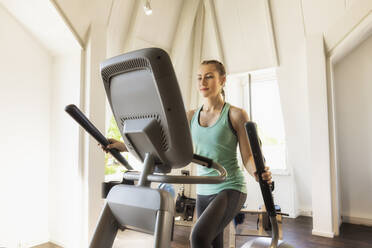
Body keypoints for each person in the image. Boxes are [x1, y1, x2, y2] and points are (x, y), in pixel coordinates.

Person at [102, 59, 272, 248]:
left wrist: (256, 171)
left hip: (229, 186)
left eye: (209, 77)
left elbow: (248, 157)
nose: (202, 82)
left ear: (223, 80)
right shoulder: (190, 117)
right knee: (213, 243)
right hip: (203, 189)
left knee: (198, 238)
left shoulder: (235, 114)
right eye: (199, 78)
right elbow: (162, 143)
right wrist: (123, 145)